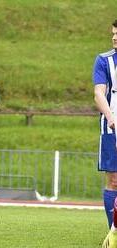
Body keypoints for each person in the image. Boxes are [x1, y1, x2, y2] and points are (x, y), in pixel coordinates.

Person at [93, 20, 117, 248]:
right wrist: (110, 116)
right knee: (114, 180)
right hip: (112, 127)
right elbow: (99, 93)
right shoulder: (104, 60)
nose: (115, 38)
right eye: (113, 34)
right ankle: (114, 234)